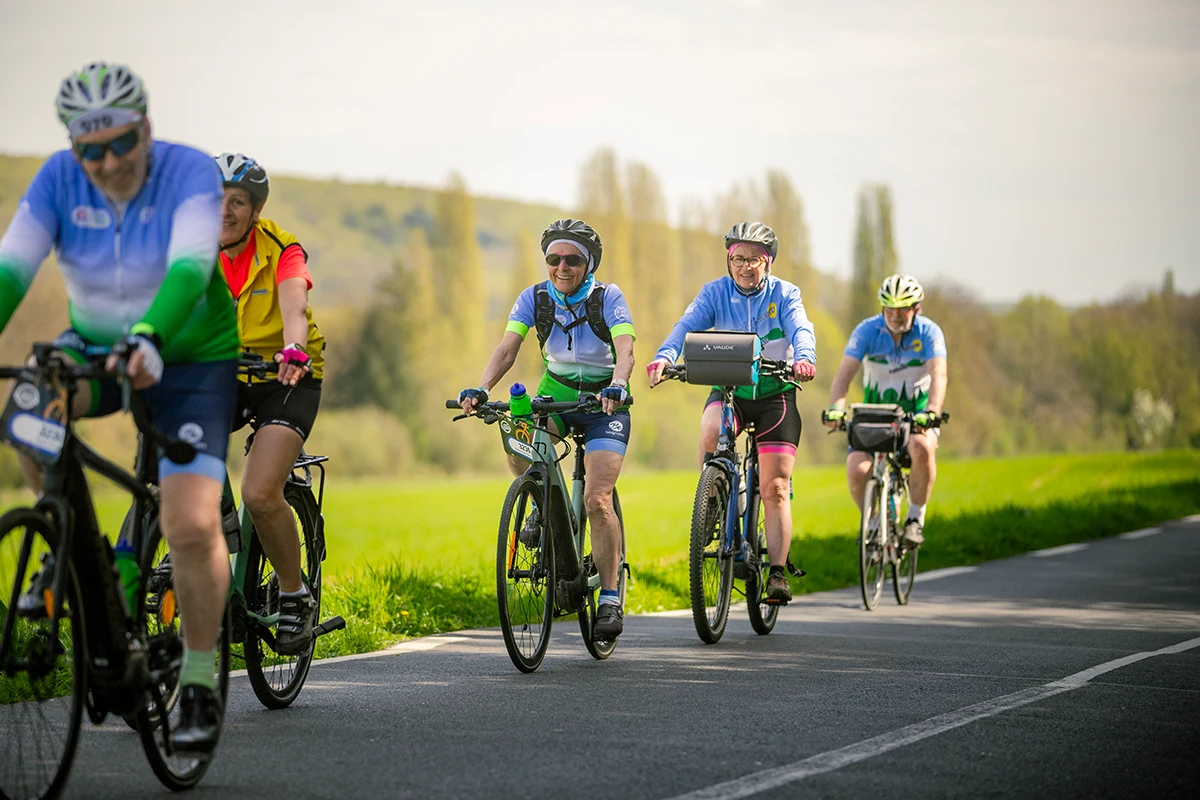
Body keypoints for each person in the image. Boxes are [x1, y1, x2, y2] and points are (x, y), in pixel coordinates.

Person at [0, 63, 238, 752]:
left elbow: (192, 269)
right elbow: (13, 266)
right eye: (90, 150)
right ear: (74, 148)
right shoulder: (55, 179)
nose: (106, 163)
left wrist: (153, 335)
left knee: (191, 523)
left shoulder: (189, 172)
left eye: (120, 144)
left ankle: (197, 680)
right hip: (97, 345)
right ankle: (82, 555)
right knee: (27, 405)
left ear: (146, 130)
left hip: (189, 356)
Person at [458, 219, 635, 637]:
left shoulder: (608, 297)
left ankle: (609, 599)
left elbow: (626, 348)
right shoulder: (534, 298)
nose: (561, 267)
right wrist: (482, 389)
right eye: (553, 259)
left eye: (572, 259)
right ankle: (539, 503)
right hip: (554, 394)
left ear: (588, 264)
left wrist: (619, 385)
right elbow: (507, 347)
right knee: (519, 447)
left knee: (597, 499)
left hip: (602, 402)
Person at [647, 221, 816, 604]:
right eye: (737, 258)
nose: (744, 266)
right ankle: (715, 498)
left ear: (767, 262)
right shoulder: (715, 293)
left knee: (775, 487)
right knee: (710, 433)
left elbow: (801, 328)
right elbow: (686, 326)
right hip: (730, 391)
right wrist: (664, 357)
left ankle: (776, 574)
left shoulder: (786, 294)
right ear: (728, 260)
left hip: (776, 396)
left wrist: (804, 357)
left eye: (753, 259)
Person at [215, 153, 326, 655]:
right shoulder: (193, 252)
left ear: (255, 209)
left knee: (260, 492)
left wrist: (294, 347)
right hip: (224, 371)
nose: (225, 210)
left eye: (236, 201)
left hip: (288, 374)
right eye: (216, 199)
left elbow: (294, 306)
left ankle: (293, 594)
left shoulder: (281, 248)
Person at [823, 274, 947, 546]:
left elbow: (939, 376)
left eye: (903, 309)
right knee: (857, 469)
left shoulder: (928, 333)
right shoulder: (867, 330)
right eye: (890, 308)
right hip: (876, 416)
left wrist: (933, 411)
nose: (896, 315)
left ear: (916, 308)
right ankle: (874, 523)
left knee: (922, 448)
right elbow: (843, 377)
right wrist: (836, 409)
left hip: (917, 416)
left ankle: (915, 518)